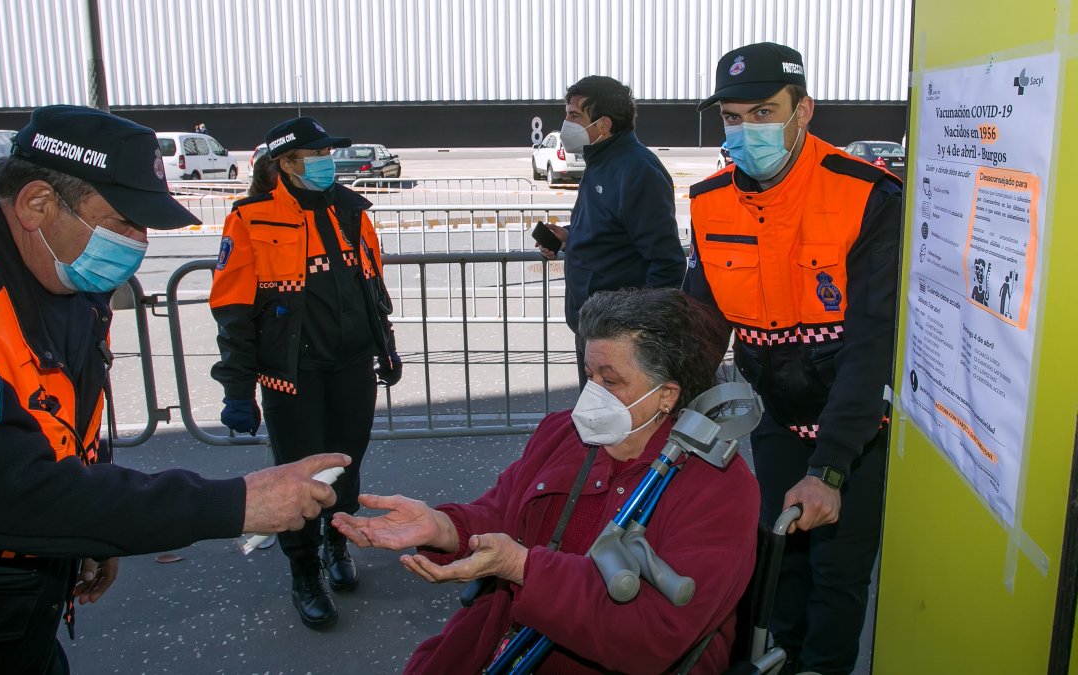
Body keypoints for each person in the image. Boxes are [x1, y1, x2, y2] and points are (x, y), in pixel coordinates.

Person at [0, 105, 350, 674]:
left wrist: (88, 533)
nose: (138, 242)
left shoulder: (50, 259)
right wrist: (237, 503)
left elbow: (65, 407)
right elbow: (12, 494)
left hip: (2, 596)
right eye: (123, 220)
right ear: (37, 204)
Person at [334, 287, 760, 674]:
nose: (591, 394)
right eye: (589, 375)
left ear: (667, 394)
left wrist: (523, 568)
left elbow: (654, 634)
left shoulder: (717, 486)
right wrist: (443, 528)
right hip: (505, 642)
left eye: (610, 381)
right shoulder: (564, 433)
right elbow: (501, 512)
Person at [684, 42, 903, 675]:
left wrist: (831, 467)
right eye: (732, 116)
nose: (746, 130)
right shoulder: (708, 202)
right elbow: (701, 326)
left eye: (763, 112)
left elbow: (869, 345)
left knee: (838, 577)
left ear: (803, 110)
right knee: (779, 563)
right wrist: (656, 402)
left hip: (854, 423)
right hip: (776, 411)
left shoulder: (866, 196)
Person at [210, 116, 402, 630]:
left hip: (352, 365)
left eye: (328, 155)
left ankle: (337, 544)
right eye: (315, 156)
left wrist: (386, 349)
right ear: (286, 164)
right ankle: (304, 571)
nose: (326, 163)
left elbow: (371, 290)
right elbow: (233, 311)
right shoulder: (250, 218)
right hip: (292, 375)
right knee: (299, 475)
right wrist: (237, 389)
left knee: (345, 463)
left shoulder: (351, 210)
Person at [535, 76, 688, 386]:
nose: (566, 123)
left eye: (574, 116)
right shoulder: (601, 161)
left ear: (603, 124)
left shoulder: (637, 170)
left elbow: (668, 263)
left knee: (616, 427)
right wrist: (568, 237)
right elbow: (611, 230)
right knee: (597, 424)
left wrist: (632, 334)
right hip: (593, 328)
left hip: (619, 341)